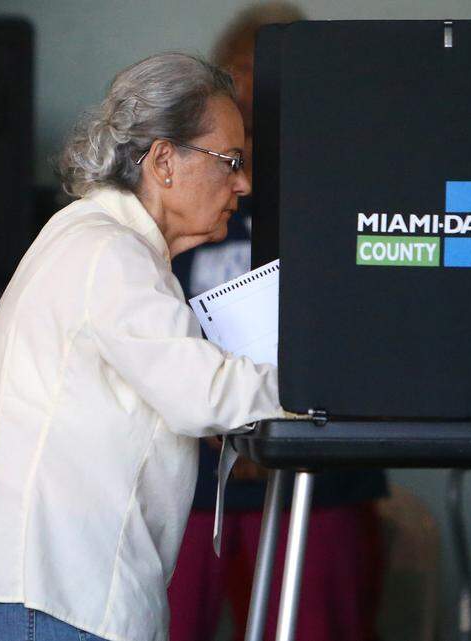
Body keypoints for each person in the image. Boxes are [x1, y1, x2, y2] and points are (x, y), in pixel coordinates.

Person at [0, 53, 284, 641]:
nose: (244, 183)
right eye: (231, 161)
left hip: (36, 594)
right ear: (164, 161)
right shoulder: (109, 253)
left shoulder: (93, 238)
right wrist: (327, 381)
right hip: (48, 598)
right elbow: (204, 394)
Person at [166, 6, 387, 641]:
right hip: (192, 482)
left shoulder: (356, 189)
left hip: (322, 481)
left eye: (281, 64)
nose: (260, 83)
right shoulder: (180, 197)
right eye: (242, 66)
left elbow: (379, 328)